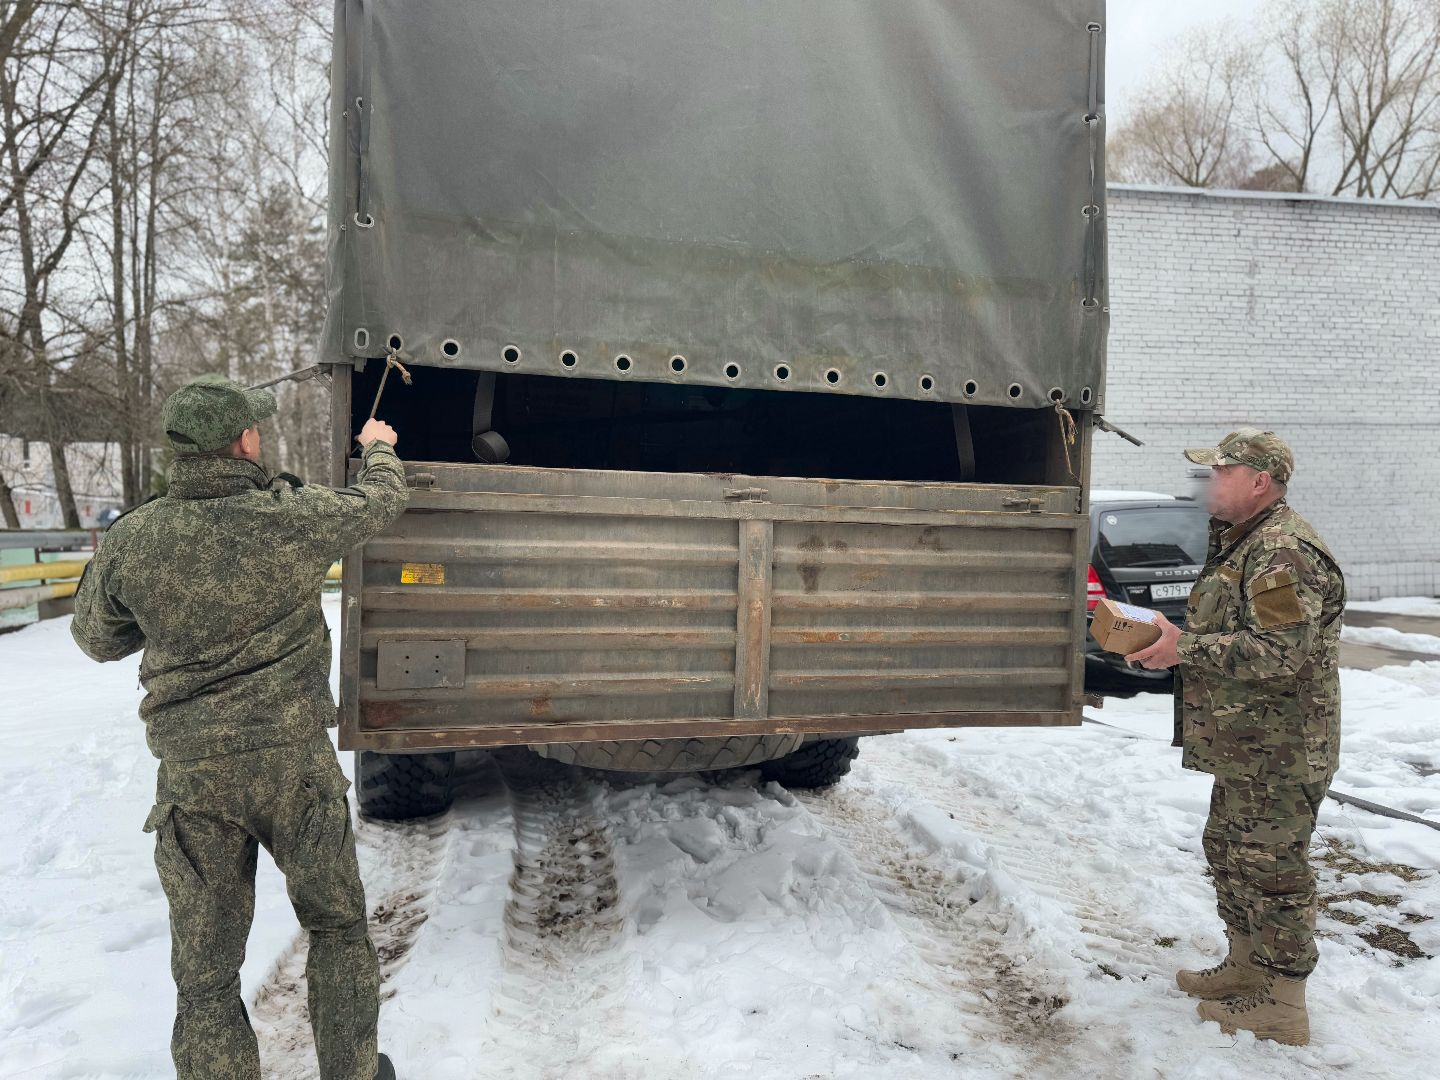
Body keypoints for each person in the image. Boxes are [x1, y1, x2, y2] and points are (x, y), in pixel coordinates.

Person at [71, 373, 409, 1079]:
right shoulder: (292, 515)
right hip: (294, 766)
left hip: (196, 780)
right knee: (338, 926)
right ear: (244, 442)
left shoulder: (134, 538)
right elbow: (381, 502)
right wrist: (377, 448)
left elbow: (98, 639)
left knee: (205, 971)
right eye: (256, 428)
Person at [1127, 428, 1345, 1047]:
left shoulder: (1281, 553)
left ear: (1258, 482)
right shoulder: (1243, 543)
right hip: (1248, 745)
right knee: (1230, 854)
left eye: (1220, 472)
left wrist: (1181, 647)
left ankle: (1282, 1003)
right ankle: (1248, 965)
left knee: (1272, 869)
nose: (1207, 483)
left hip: (1282, 749)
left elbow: (1280, 654)